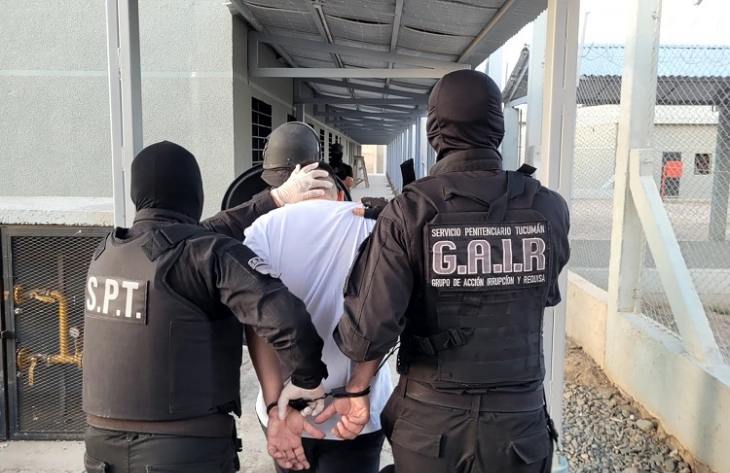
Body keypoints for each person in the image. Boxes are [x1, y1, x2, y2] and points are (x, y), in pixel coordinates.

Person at [317, 69, 571, 473]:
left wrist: (357, 388)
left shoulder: (410, 210)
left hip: (431, 424)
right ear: (498, 127)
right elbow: (545, 295)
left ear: (434, 130)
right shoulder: (548, 207)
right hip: (519, 425)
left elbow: (368, 333)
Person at [82, 141, 331, 473]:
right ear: (194, 191)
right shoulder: (209, 253)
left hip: (100, 450)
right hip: (185, 452)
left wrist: (276, 198)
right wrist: (308, 380)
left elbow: (188, 237)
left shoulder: (105, 254)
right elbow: (287, 320)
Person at [244, 163, 393, 473]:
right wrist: (359, 387)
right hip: (355, 414)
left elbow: (257, 323)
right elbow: (385, 312)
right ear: (339, 194)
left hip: (285, 411)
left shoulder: (263, 228)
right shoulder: (373, 224)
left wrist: (274, 407)